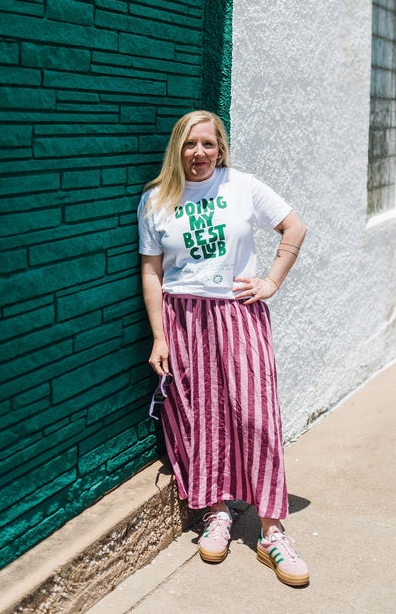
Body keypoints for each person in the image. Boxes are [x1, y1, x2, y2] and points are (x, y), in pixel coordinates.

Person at [138, 110, 309, 586]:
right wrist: (159, 335)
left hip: (237, 314)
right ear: (178, 148)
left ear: (220, 148)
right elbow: (152, 272)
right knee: (202, 417)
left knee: (256, 415)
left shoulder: (243, 186)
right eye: (190, 145)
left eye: (208, 145)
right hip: (183, 318)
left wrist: (271, 280)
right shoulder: (155, 199)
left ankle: (273, 531)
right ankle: (218, 511)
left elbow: (295, 228)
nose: (199, 154)